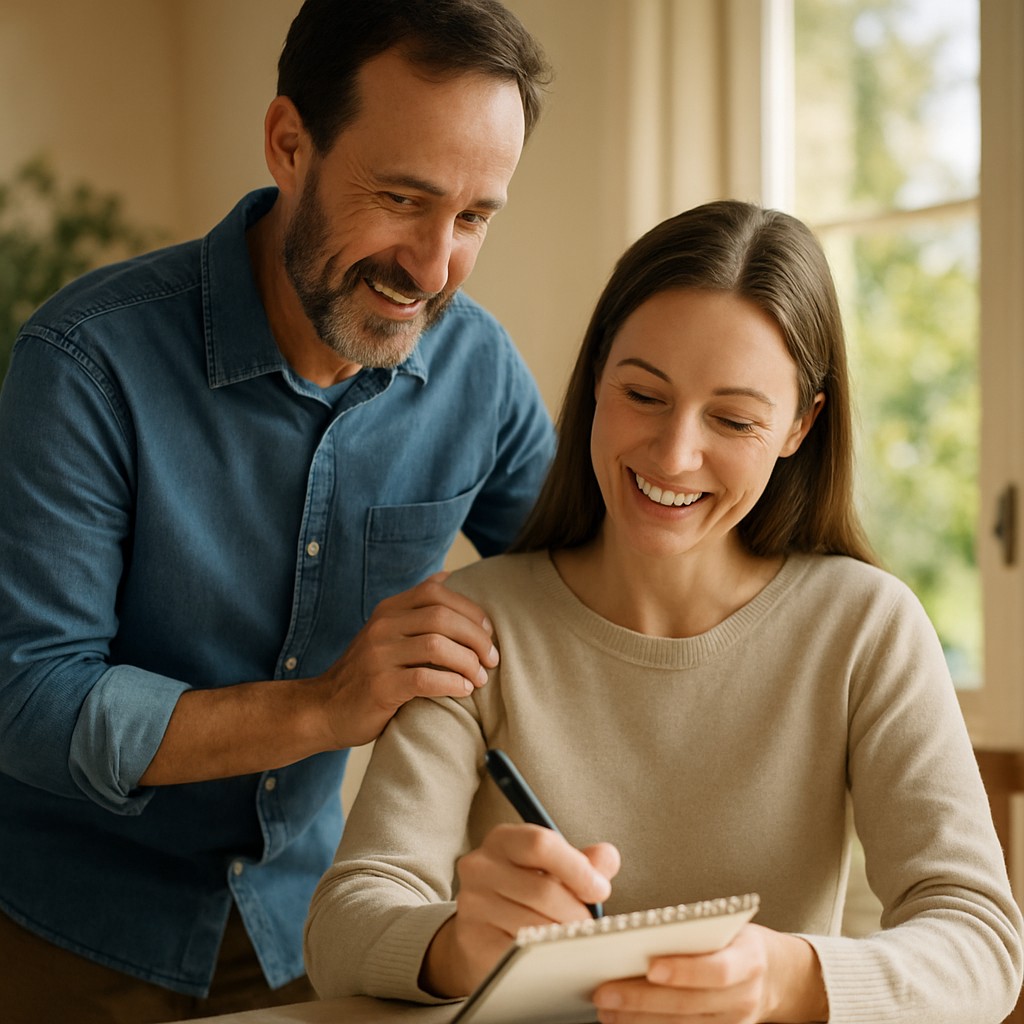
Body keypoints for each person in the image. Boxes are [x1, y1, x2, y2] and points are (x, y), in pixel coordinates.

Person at [304, 200, 1024, 1023]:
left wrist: (784, 978)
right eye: (644, 394)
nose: (674, 455)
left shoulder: (865, 627)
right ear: (596, 376)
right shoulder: (473, 625)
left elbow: (982, 945)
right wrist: (459, 943)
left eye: (734, 419)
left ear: (801, 425)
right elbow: (342, 927)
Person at [0, 1, 555, 1020]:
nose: (433, 268)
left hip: (306, 926)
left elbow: (589, 587)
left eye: (474, 218)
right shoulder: (85, 362)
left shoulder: (479, 373)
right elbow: (29, 697)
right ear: (289, 144)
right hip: (61, 937)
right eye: (400, 198)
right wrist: (324, 708)